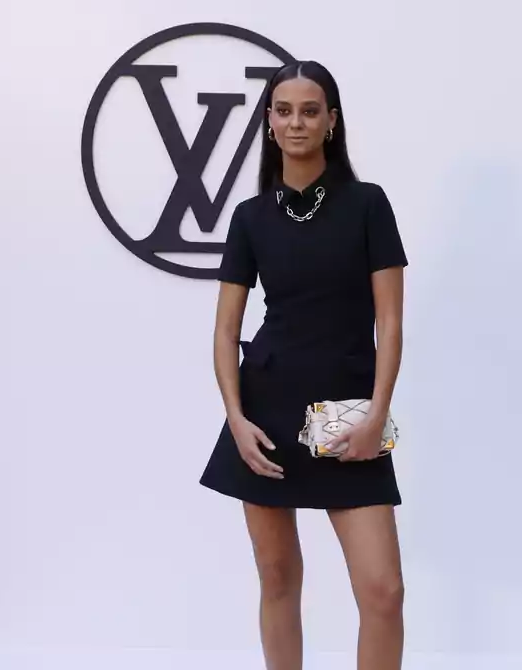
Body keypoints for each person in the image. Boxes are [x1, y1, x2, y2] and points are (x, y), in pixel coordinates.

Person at [199, 59, 407, 670]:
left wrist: (377, 415)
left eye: (310, 110)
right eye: (284, 111)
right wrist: (235, 418)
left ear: (331, 122)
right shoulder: (251, 217)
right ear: (269, 122)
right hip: (265, 410)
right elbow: (225, 329)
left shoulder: (368, 205)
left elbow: (390, 323)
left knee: (384, 592)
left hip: (347, 414)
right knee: (279, 577)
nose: (297, 122)